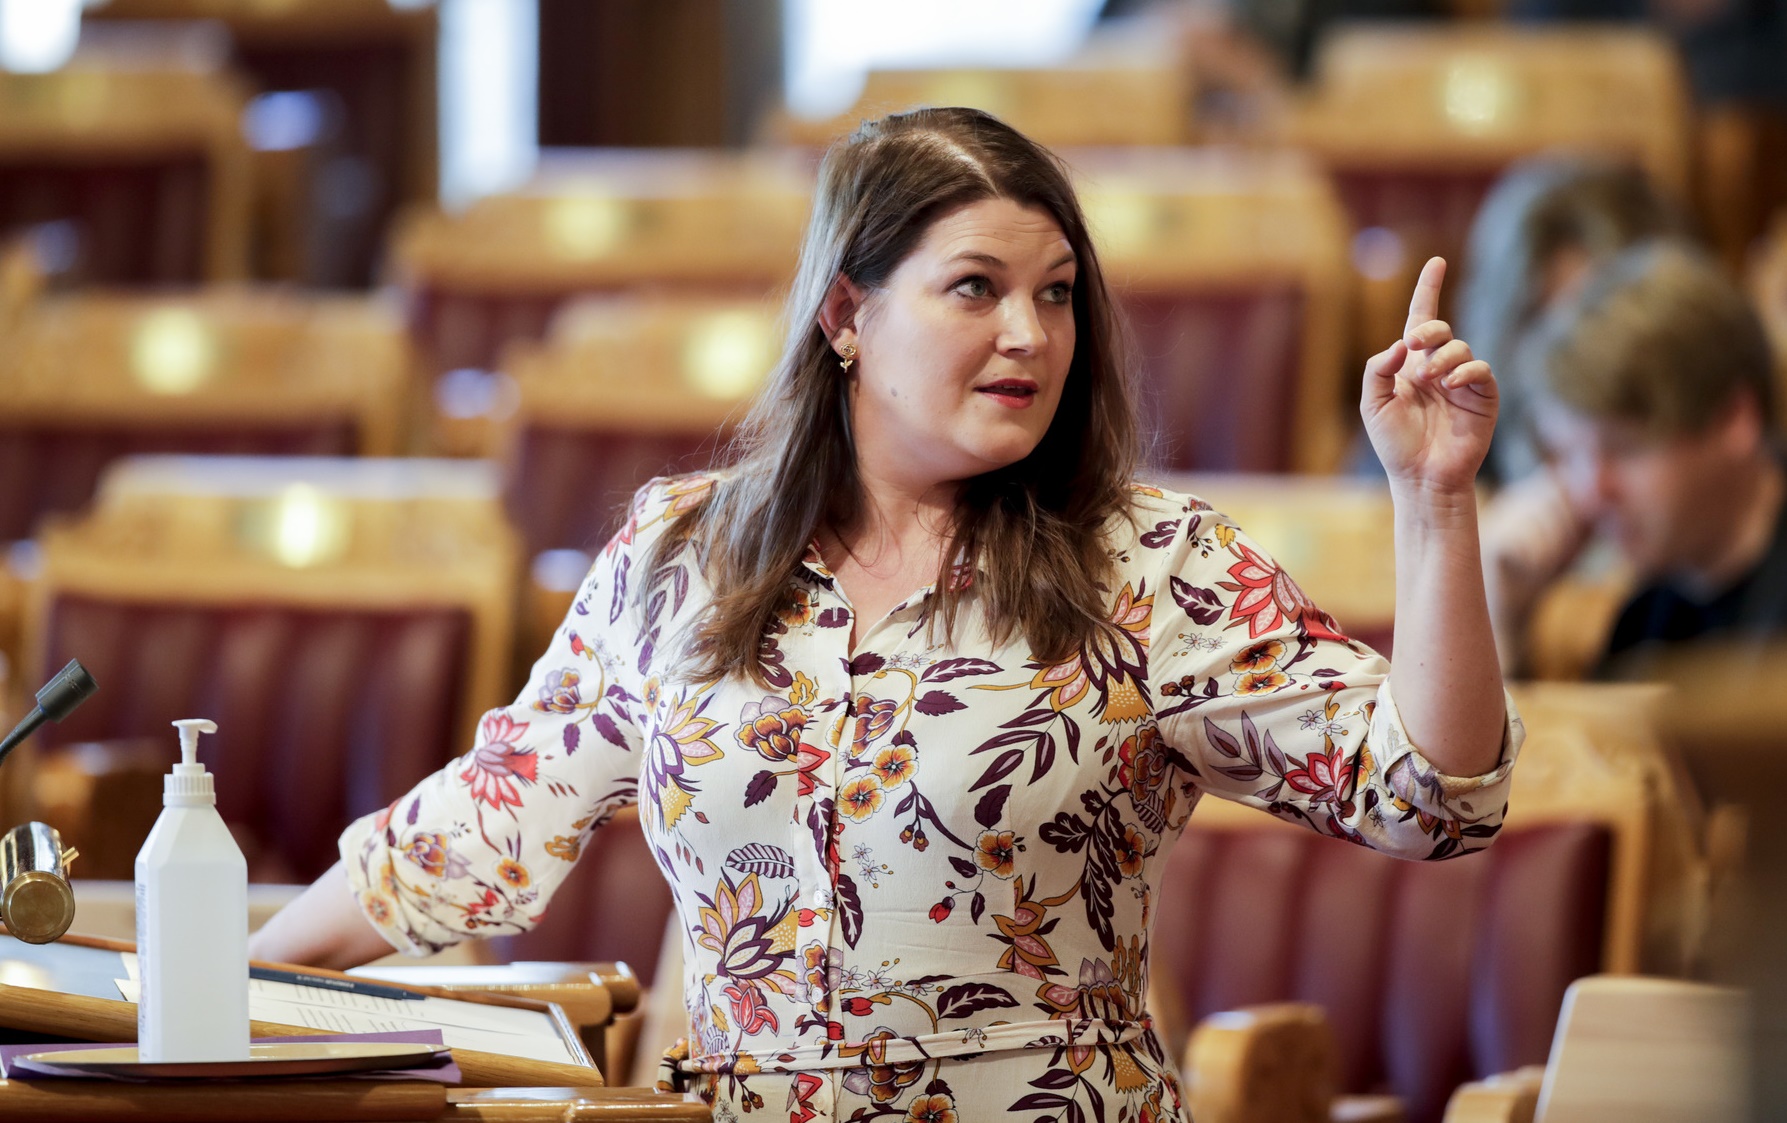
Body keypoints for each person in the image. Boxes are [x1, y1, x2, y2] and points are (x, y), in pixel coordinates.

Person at [251, 108, 1520, 1121]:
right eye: (975, 287)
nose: (1030, 333)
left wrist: (1433, 502)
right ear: (846, 315)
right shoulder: (681, 550)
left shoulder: (1148, 563)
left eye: (1058, 292)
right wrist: (225, 989)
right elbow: (477, 828)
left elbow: (1430, 797)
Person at [1479, 240, 1786, 679]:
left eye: (1622, 449)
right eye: (1570, 456)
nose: (1590, 490)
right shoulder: (1649, 612)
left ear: (1735, 420)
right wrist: (1502, 618)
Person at [1456, 155, 1691, 484]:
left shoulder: (1690, 447)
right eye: (1543, 320)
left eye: (1594, 316)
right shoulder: (1461, 423)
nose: (1567, 351)